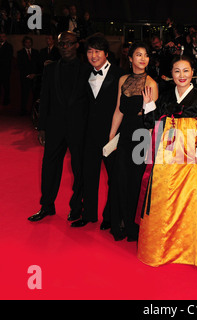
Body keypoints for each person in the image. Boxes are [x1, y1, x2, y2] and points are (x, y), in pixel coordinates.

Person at [136, 55, 197, 268]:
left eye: (186, 71)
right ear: (171, 74)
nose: (181, 75)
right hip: (167, 152)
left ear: (193, 73)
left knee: (196, 195)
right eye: (177, 71)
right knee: (163, 195)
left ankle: (195, 247)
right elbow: (152, 124)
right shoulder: (165, 98)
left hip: (192, 151)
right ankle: (165, 246)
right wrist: (149, 105)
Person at [28, 31, 90, 222]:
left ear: (76, 45)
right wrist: (42, 127)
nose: (65, 47)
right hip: (54, 127)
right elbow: (44, 98)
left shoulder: (87, 69)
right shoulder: (50, 68)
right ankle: (46, 206)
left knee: (79, 169)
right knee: (49, 168)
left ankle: (76, 207)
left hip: (78, 128)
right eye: (62, 44)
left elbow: (90, 102)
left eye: (69, 44)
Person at [71, 34, 125, 229]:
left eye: (97, 51)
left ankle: (110, 217)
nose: (93, 55)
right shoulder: (84, 73)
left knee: (114, 178)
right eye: (90, 51)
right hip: (89, 136)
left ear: (106, 54)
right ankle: (89, 214)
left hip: (112, 136)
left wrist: (117, 135)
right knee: (88, 176)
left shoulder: (120, 75)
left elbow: (123, 108)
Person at [108, 41, 158, 241]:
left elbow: (152, 120)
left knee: (136, 181)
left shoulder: (151, 84)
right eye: (138, 54)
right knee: (120, 178)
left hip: (142, 136)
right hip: (125, 134)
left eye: (146, 55)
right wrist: (111, 137)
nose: (143, 58)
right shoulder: (122, 80)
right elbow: (119, 110)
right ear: (130, 58)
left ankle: (133, 225)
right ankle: (119, 222)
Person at [17, 35, 42, 115]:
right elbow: (20, 66)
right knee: (24, 94)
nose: (28, 44)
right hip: (25, 77)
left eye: (30, 42)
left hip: (35, 78)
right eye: (27, 42)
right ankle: (23, 110)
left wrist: (34, 74)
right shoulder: (20, 53)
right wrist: (28, 75)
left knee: (35, 95)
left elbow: (38, 65)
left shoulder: (36, 52)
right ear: (24, 43)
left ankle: (34, 111)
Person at [0, 32, 13, 106]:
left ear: (6, 37)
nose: (1, 38)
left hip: (5, 70)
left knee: (6, 86)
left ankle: (6, 101)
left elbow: (8, 58)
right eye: (0, 36)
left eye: (3, 36)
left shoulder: (9, 46)